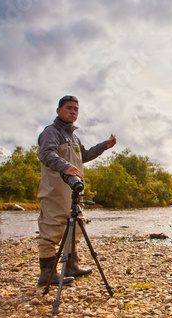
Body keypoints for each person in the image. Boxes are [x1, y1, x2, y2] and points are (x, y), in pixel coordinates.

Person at [36, 95, 117, 286]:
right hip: (55, 189)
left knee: (77, 225)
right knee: (52, 227)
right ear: (58, 111)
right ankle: (47, 273)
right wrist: (64, 166)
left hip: (73, 191)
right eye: (69, 108)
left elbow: (85, 155)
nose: (73, 111)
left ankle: (72, 266)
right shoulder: (51, 132)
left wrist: (104, 146)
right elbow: (46, 154)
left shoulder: (73, 136)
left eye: (76, 109)